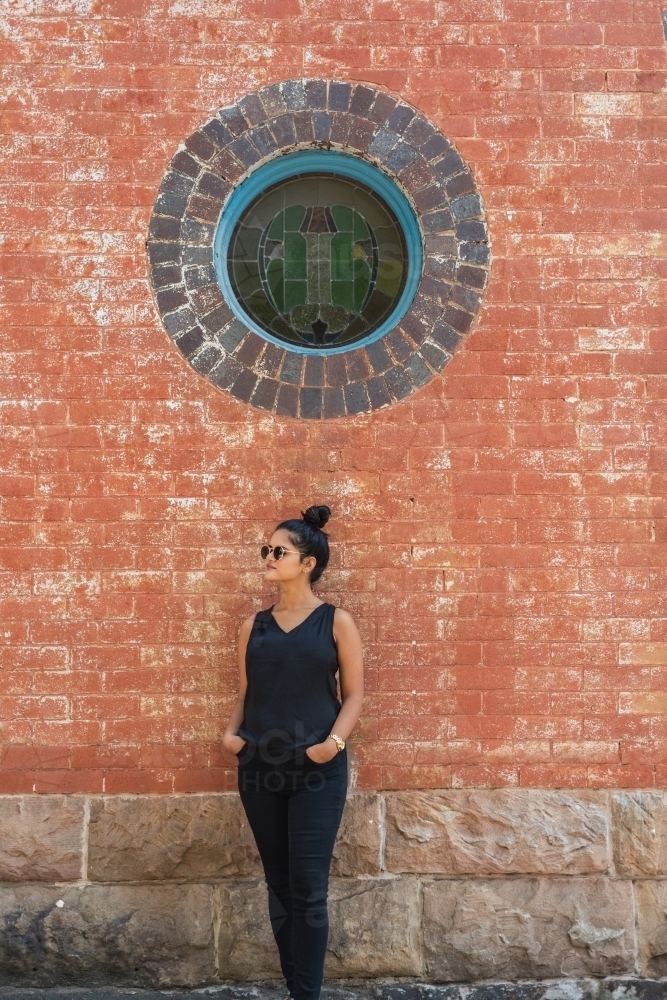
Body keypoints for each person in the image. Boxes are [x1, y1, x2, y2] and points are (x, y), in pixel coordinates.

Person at [223, 505, 364, 1000]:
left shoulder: (336, 621)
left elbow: (354, 695)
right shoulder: (253, 626)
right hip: (259, 769)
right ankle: (295, 990)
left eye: (278, 551)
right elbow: (246, 692)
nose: (268, 556)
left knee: (308, 888)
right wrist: (231, 736)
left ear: (307, 563)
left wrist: (332, 745)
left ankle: (307, 995)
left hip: (316, 772)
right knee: (280, 887)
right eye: (266, 549)